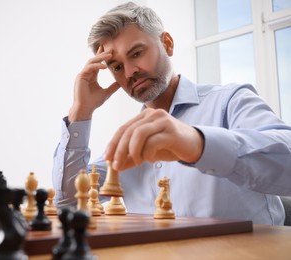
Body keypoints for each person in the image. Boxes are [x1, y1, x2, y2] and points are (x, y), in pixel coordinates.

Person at [52, 1, 291, 225]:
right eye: (116, 67)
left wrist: (196, 143)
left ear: (167, 44)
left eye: (136, 53)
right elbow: (69, 201)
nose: (129, 72)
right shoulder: (131, 140)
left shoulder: (230, 101)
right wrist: (80, 112)